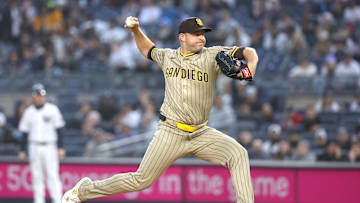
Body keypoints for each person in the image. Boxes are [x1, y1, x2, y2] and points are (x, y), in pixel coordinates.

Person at [62, 16, 258, 203]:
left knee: (238, 154)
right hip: (171, 131)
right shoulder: (168, 56)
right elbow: (148, 49)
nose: (202, 37)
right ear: (182, 37)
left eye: (203, 34)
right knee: (140, 180)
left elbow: (250, 52)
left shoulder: (213, 54)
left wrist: (248, 71)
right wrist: (136, 30)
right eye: (197, 34)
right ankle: (84, 191)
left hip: (201, 132)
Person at [18, 83, 65, 203]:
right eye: (37, 95)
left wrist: (60, 147)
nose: (39, 97)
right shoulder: (29, 112)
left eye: (41, 95)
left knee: (52, 175)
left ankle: (58, 200)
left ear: (44, 95)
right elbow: (24, 132)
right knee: (36, 176)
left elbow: (59, 129)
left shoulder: (52, 109)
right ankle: (39, 201)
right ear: (33, 96)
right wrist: (22, 150)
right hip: (34, 146)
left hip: (50, 146)